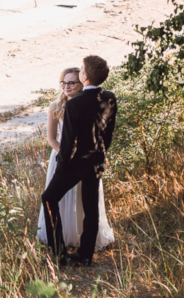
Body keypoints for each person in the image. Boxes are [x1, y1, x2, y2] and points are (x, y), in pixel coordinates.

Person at [41, 55, 117, 266]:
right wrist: (101, 154)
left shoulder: (75, 104)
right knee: (91, 207)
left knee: (48, 198)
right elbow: (108, 134)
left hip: (75, 163)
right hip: (97, 161)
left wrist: (62, 166)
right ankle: (85, 256)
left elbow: (68, 143)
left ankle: (59, 254)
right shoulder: (110, 97)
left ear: (84, 76)